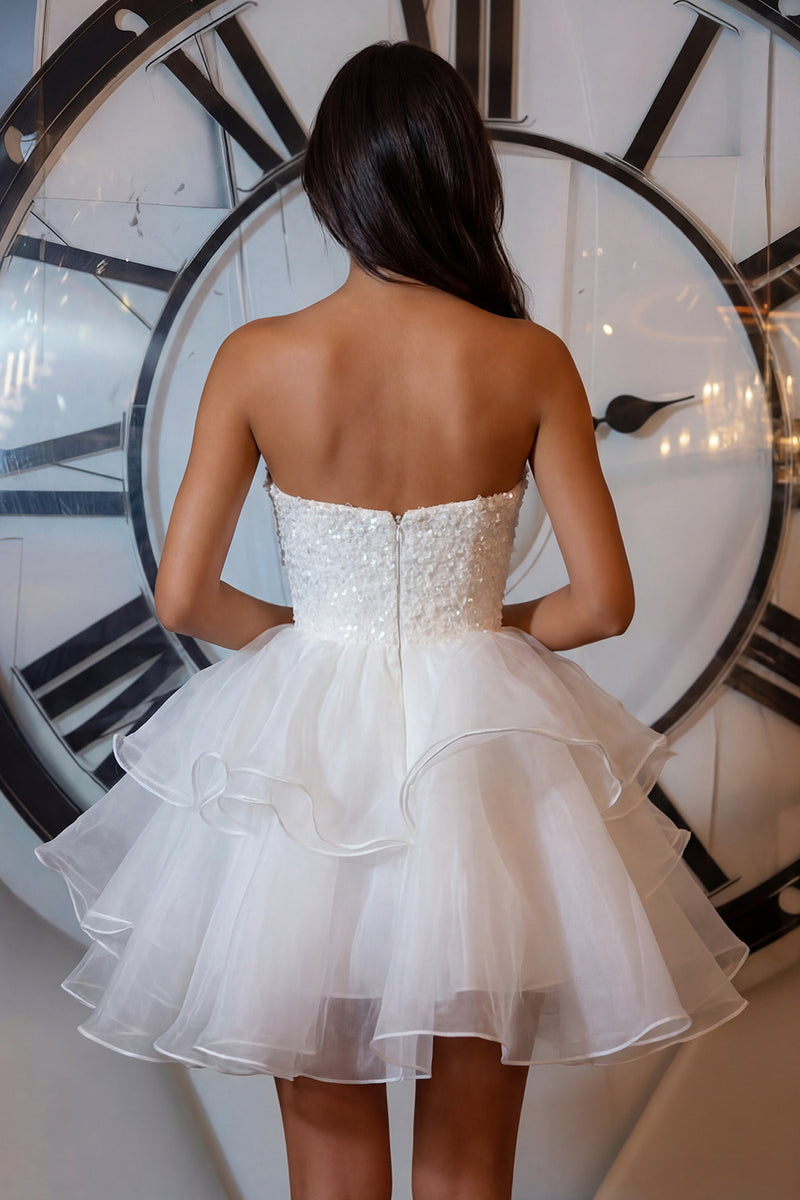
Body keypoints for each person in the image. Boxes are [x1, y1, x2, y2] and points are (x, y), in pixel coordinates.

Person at [35, 41, 748, 1200]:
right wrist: (484, 627)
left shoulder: (259, 357)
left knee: (328, 1172)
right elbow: (602, 603)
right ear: (463, 176)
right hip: (481, 771)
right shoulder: (529, 360)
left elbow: (184, 599)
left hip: (307, 765)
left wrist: (315, 633)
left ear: (333, 184)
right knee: (470, 1172)